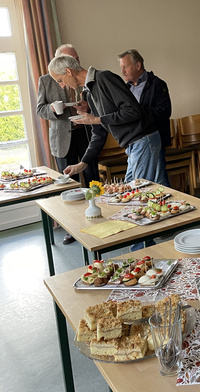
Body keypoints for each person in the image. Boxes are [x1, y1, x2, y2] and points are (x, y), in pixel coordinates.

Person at [47, 55, 162, 184]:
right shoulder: (89, 92)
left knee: (137, 192)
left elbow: (133, 111)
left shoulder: (104, 78)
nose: (62, 86)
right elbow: (98, 132)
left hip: (143, 139)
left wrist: (97, 119)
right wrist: (83, 163)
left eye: (60, 80)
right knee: (130, 191)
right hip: (133, 144)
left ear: (68, 71)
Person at [36, 44, 99, 245]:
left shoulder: (84, 78)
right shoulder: (46, 81)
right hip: (62, 137)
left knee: (92, 179)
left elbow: (97, 102)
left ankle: (98, 218)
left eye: (77, 58)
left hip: (86, 134)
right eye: (71, 59)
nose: (75, 62)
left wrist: (88, 106)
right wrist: (54, 110)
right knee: (68, 184)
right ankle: (72, 228)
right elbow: (40, 109)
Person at [118, 49, 171, 187]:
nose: (122, 71)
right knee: (132, 183)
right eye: (121, 67)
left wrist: (138, 113)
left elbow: (164, 111)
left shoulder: (157, 84)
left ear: (138, 65)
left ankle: (170, 206)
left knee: (158, 182)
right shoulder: (126, 89)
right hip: (133, 142)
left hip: (153, 139)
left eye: (126, 66)